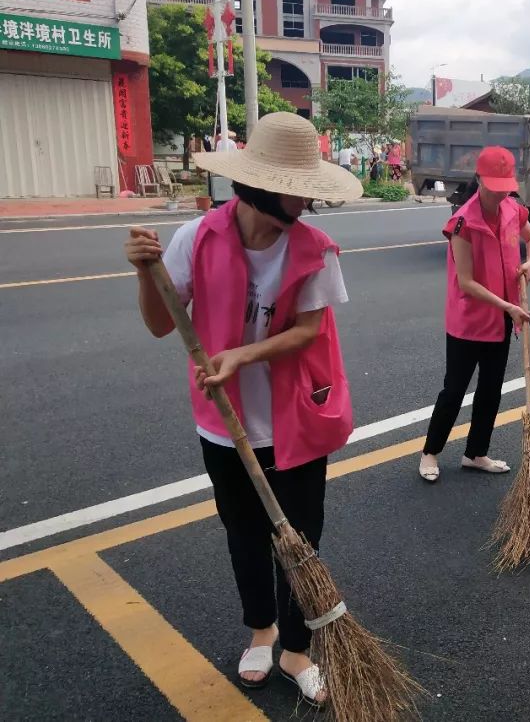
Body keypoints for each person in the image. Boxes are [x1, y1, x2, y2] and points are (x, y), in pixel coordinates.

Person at [122, 112, 362, 707]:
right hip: (225, 428)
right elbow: (159, 325)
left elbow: (308, 330)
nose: (306, 198)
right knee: (244, 534)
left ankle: (298, 650)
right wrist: (143, 274)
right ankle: (262, 631)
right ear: (259, 185)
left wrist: (241, 355)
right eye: (297, 186)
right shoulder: (197, 238)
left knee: (301, 537)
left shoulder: (314, 249)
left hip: (298, 418)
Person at [418, 145, 530, 482]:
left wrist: (529, 262)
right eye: (494, 186)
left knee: (491, 388)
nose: (501, 194)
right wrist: (508, 307)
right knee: (454, 389)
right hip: (469, 320)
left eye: (505, 187)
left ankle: (476, 453)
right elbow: (466, 282)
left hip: (502, 318)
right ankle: (430, 452)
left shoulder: (513, 210)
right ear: (479, 180)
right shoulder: (463, 223)